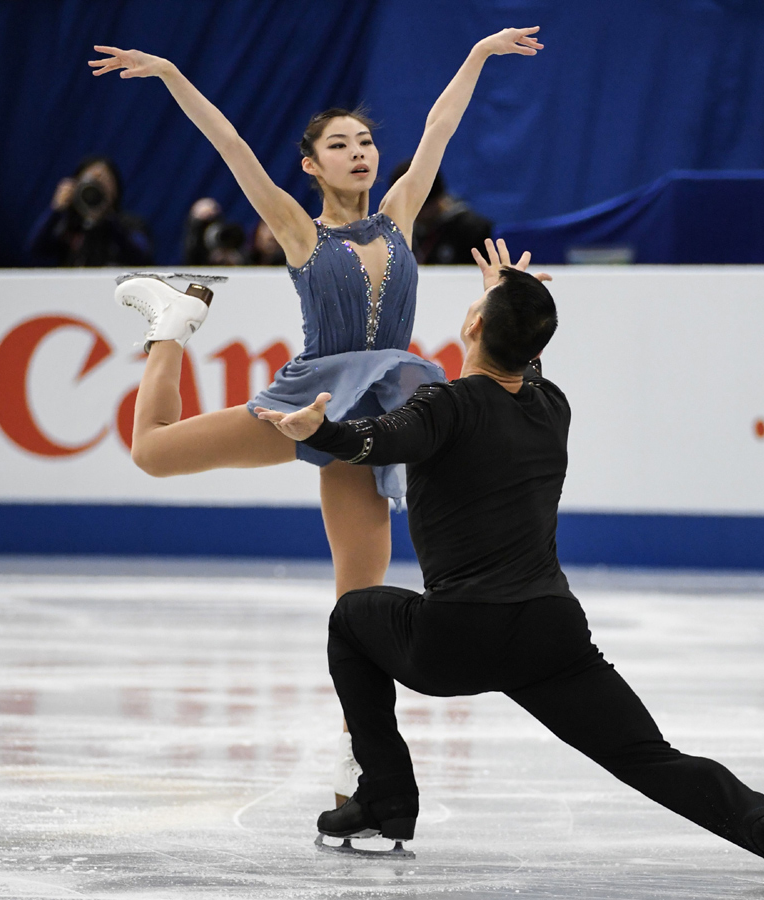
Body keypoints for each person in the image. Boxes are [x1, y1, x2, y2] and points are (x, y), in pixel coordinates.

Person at [256, 239, 764, 870]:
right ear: (535, 349)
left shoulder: (444, 405)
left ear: (472, 324)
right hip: (550, 634)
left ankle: (386, 798)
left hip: (457, 638)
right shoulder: (551, 408)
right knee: (647, 755)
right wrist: (515, 303)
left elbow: (377, 441)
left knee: (352, 617)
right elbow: (522, 366)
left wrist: (321, 432)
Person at [90, 27, 545, 804]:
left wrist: (473, 55)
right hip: (312, 399)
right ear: (312, 165)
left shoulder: (401, 213)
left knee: (358, 604)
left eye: (366, 141)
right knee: (153, 453)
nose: (360, 152)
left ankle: (355, 766)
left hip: (377, 419)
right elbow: (230, 143)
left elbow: (438, 128)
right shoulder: (300, 231)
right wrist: (169, 71)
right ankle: (173, 319)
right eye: (340, 144)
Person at [28, 156, 153, 267]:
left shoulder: (129, 225)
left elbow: (142, 256)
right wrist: (55, 210)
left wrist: (109, 219)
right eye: (91, 181)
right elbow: (36, 249)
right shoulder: (68, 225)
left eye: (104, 181)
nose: (96, 188)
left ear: (115, 188)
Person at [388, 160, 492, 264]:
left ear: (436, 200)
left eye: (416, 209)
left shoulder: (473, 231)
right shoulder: (400, 235)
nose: (412, 214)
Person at [181, 197, 247, 266]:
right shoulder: (193, 246)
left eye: (214, 218)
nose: (209, 226)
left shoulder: (227, 239)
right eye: (204, 223)